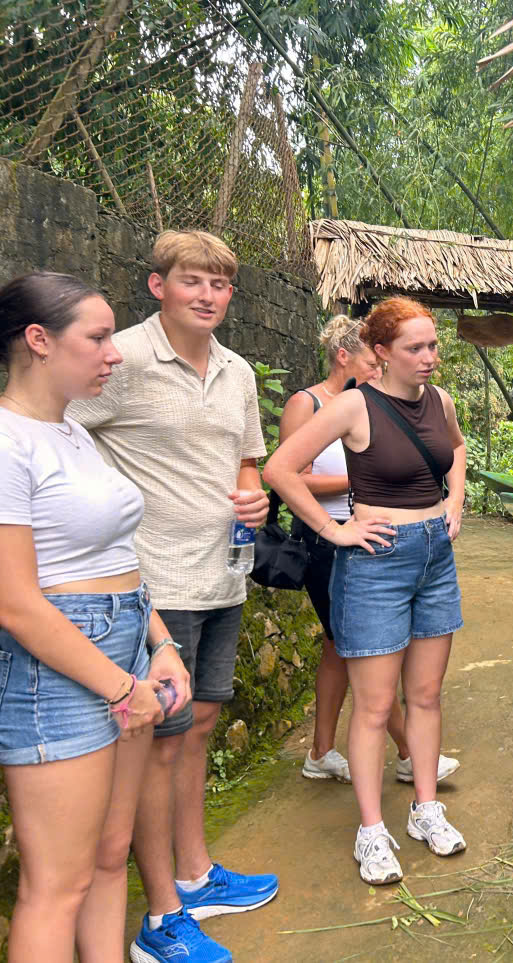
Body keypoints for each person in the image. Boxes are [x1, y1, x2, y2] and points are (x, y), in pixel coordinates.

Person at [68, 231, 278, 963]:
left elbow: (246, 461)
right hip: (151, 585)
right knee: (157, 746)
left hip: (223, 573)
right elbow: (60, 436)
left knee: (200, 726)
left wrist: (252, 499)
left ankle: (195, 873)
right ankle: (159, 919)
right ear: (158, 285)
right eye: (193, 280)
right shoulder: (118, 359)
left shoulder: (239, 371)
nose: (209, 296)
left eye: (221, 284)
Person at [0, 272, 191, 962]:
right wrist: (119, 685)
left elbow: (120, 559)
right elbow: (16, 601)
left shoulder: (74, 433)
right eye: (100, 336)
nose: (115, 352)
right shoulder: (7, 441)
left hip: (128, 646)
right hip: (60, 668)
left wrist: (161, 646)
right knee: (57, 884)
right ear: (39, 340)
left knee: (112, 855)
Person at [264, 296, 468, 886]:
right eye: (415, 348)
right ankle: (372, 831)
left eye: (433, 346)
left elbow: (453, 452)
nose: (429, 358)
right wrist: (334, 528)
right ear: (380, 353)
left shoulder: (441, 402)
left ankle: (426, 809)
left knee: (426, 695)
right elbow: (281, 469)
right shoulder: (354, 406)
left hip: (435, 555)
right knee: (377, 705)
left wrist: (454, 502)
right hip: (376, 560)